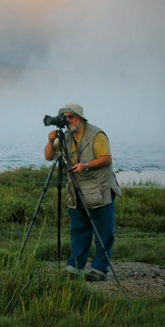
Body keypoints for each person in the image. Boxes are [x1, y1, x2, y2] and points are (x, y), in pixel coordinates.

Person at [44, 103, 121, 281]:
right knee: (78, 230)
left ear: (80, 117)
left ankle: (99, 269)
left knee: (103, 231)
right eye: (65, 117)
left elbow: (107, 159)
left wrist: (86, 166)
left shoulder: (96, 135)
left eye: (70, 117)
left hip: (99, 189)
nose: (67, 121)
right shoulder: (65, 137)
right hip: (76, 191)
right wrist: (50, 140)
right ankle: (74, 267)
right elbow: (48, 157)